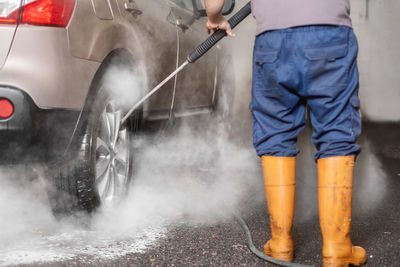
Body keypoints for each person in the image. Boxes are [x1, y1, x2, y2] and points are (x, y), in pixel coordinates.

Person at [204, 0, 366, 266]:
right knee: (337, 131)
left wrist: (215, 16)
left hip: (273, 41)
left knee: (275, 131)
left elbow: (214, 3)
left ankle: (280, 244)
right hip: (330, 35)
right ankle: (337, 249)